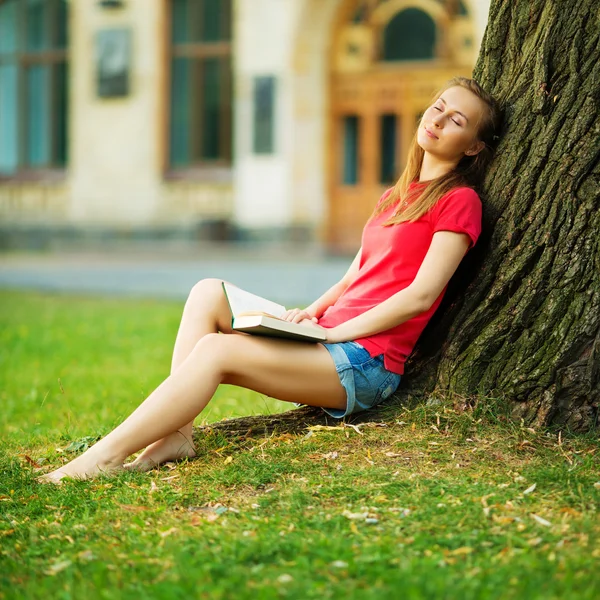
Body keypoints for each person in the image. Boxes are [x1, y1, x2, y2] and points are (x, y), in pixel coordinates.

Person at [40, 77, 502, 483]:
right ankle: (177, 436)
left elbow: (420, 296)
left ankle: (104, 457)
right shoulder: (395, 196)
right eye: (438, 106)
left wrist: (336, 331)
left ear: (473, 147)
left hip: (365, 364)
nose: (438, 120)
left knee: (217, 350)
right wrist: (314, 313)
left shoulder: (459, 201)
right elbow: (354, 276)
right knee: (207, 292)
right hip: (327, 338)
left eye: (457, 120)